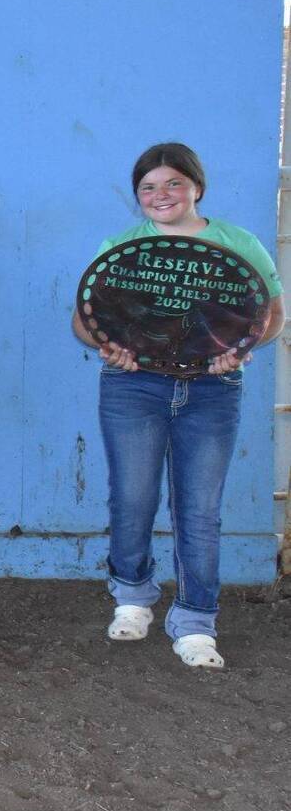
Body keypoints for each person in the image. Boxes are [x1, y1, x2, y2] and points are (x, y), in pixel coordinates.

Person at [69, 142, 282, 669]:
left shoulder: (239, 244)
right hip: (133, 386)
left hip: (212, 389)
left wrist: (240, 350)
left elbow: (270, 315)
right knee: (132, 498)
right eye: (148, 187)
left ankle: (195, 622)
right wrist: (107, 346)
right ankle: (132, 595)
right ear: (137, 195)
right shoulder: (122, 247)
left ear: (196, 187)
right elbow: (85, 320)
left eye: (173, 183)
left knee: (200, 510)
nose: (160, 195)